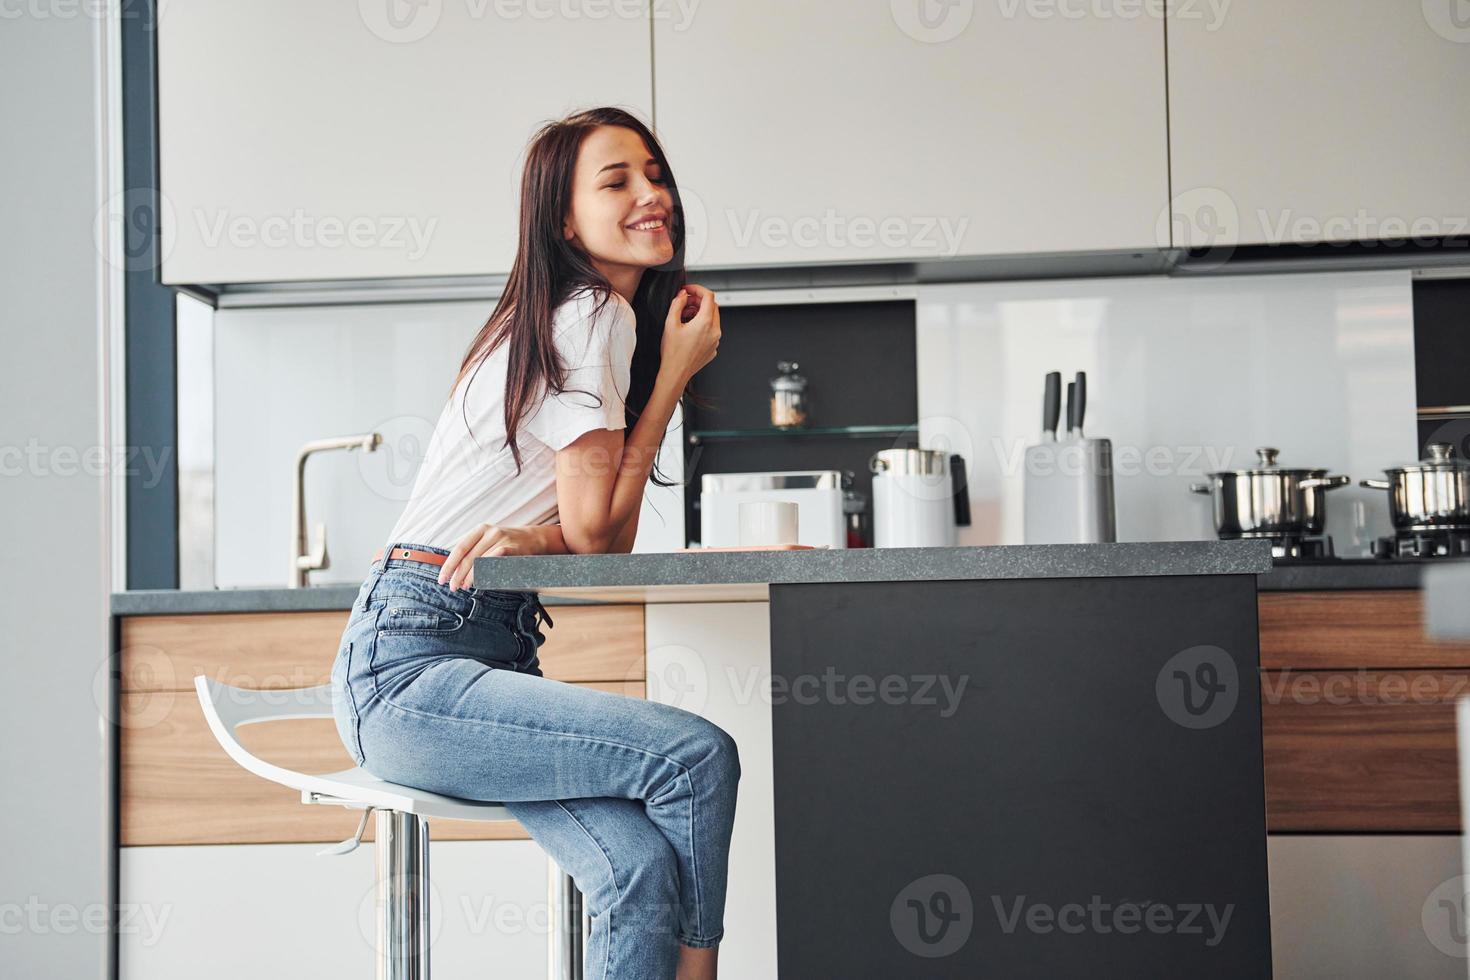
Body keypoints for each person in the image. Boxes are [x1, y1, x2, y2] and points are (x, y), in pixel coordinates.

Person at [331, 107, 737, 980]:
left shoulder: (565, 315)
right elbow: (601, 535)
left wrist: (536, 533)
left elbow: (595, 535)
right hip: (414, 666)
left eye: (655, 174)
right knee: (697, 756)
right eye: (617, 181)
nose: (651, 195)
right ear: (564, 219)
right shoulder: (594, 316)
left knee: (636, 869)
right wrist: (673, 377)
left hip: (459, 651)